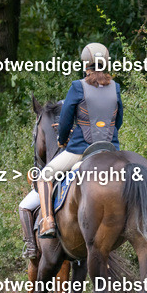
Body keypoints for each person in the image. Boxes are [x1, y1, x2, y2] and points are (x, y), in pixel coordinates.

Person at [37, 43, 122, 238]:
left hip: (80, 150)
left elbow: (66, 120)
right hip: (110, 151)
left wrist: (62, 140)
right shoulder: (115, 87)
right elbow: (119, 121)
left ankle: (48, 221)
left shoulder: (78, 86)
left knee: (45, 175)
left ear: (86, 66)